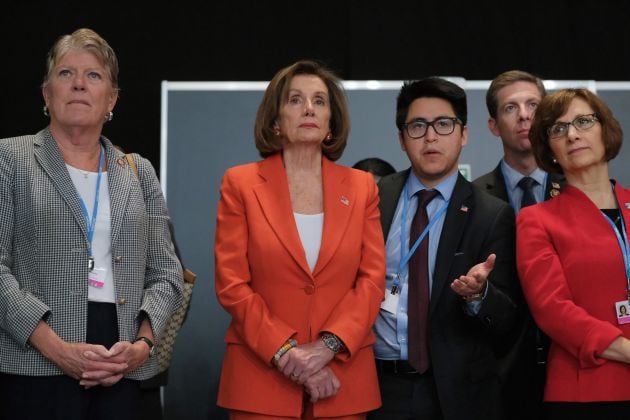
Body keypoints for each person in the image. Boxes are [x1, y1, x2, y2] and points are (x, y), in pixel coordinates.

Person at [0, 28, 183, 420]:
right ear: (47, 95)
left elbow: (167, 273)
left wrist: (142, 346)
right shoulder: (9, 159)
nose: (79, 84)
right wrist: (55, 348)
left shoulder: (139, 171)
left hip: (122, 364)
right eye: (66, 73)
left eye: (94, 75)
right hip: (33, 361)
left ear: (111, 99)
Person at [214, 60, 386, 419]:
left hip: (342, 382)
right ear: (275, 120)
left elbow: (371, 281)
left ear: (330, 123)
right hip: (261, 382)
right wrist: (287, 353)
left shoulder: (361, 186)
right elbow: (232, 284)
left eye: (319, 101)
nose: (309, 108)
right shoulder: (241, 184)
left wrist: (326, 347)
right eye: (295, 99)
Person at [370, 77, 521, 420]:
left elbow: (508, 316)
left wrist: (479, 295)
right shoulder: (375, 198)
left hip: (456, 392)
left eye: (443, 124)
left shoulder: (491, 213)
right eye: (417, 126)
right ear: (401, 138)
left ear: (464, 134)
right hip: (379, 385)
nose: (431, 136)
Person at [518, 88, 630, 418]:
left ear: (605, 130)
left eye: (583, 121)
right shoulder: (536, 219)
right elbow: (552, 309)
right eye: (558, 128)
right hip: (587, 391)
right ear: (549, 149)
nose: (573, 134)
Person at [473, 70, 564, 420]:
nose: (524, 115)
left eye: (532, 105)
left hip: (569, 360)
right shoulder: (474, 198)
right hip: (498, 370)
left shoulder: (576, 189)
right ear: (494, 125)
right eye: (511, 108)